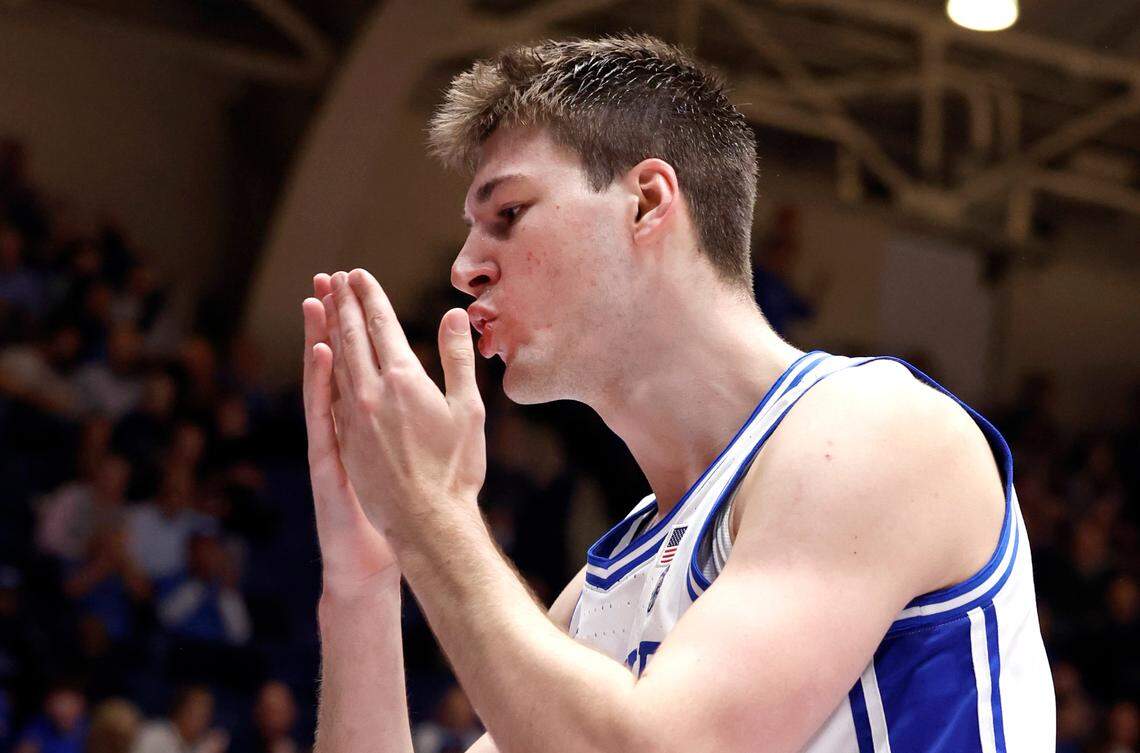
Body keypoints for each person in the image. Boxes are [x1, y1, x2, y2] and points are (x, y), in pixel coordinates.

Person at [300, 34, 1055, 752]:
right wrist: (365, 579)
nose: (466, 266)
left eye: (508, 214)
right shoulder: (598, 597)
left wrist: (431, 516)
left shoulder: (875, 429)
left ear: (646, 202)